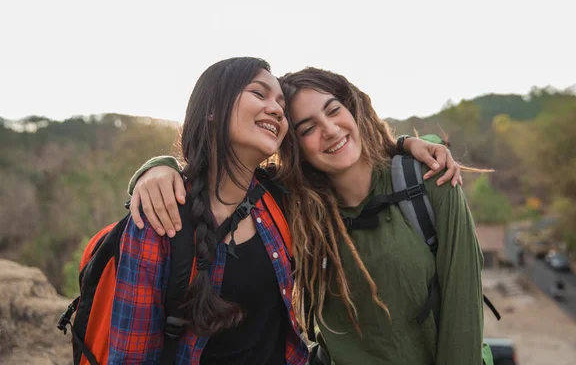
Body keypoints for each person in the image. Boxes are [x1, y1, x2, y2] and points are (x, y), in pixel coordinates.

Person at [130, 68, 482, 364]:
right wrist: (158, 167)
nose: (329, 130)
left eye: (333, 110)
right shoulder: (291, 203)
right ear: (293, 145)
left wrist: (410, 143)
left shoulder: (427, 180)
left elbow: (463, 313)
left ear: (354, 109)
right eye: (308, 128)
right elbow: (223, 179)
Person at [110, 57, 309, 364]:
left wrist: (406, 146)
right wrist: (158, 168)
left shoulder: (280, 199)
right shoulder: (161, 218)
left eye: (281, 103)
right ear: (213, 108)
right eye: (259, 93)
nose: (277, 109)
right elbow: (131, 356)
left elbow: (349, 165)